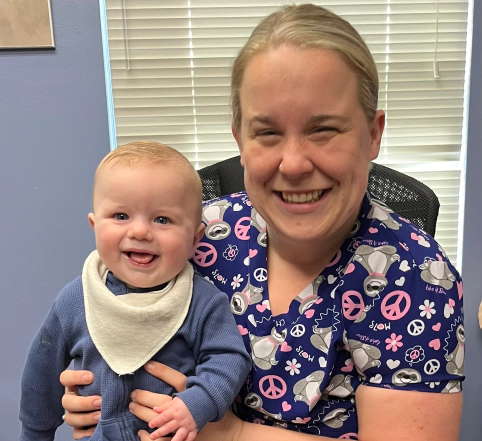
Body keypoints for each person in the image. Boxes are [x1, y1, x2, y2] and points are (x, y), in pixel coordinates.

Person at [59, 4, 464, 441]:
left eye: (323, 129)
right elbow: (108, 311)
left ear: (373, 134)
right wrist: (93, 391)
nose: (292, 164)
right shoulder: (197, 236)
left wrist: (228, 434)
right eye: (267, 133)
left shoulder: (417, 278)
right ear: (240, 140)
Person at [19, 141, 252, 441]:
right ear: (94, 226)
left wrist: (196, 404)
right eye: (120, 216)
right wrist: (34, 433)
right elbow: (42, 373)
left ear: (195, 239)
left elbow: (229, 360)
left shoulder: (201, 302)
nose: (140, 231)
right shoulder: (76, 300)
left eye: (162, 219)